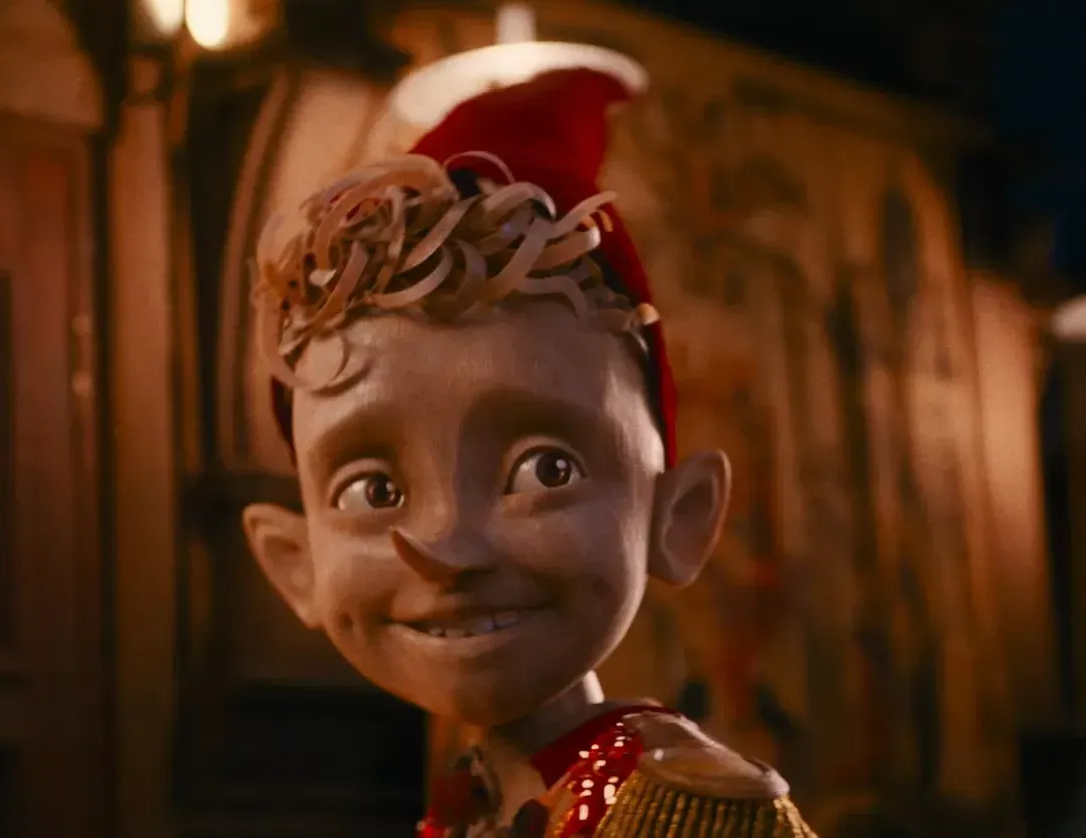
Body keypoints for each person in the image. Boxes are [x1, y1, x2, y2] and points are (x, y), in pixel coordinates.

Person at [239, 67, 817, 837]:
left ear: (680, 515)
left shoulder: (695, 816)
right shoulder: (478, 803)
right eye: (373, 491)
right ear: (295, 563)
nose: (447, 548)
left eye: (545, 470)